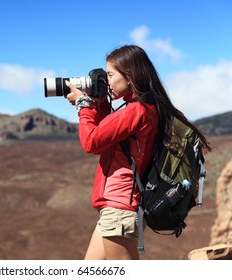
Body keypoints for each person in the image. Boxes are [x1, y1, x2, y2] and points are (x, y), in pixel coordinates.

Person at [65, 45, 211, 260]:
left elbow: (91, 142)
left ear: (130, 75)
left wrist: (83, 105)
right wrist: (100, 103)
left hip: (120, 206)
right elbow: (108, 135)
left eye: (111, 75)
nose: (107, 81)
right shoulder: (142, 107)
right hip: (116, 207)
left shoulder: (136, 110)